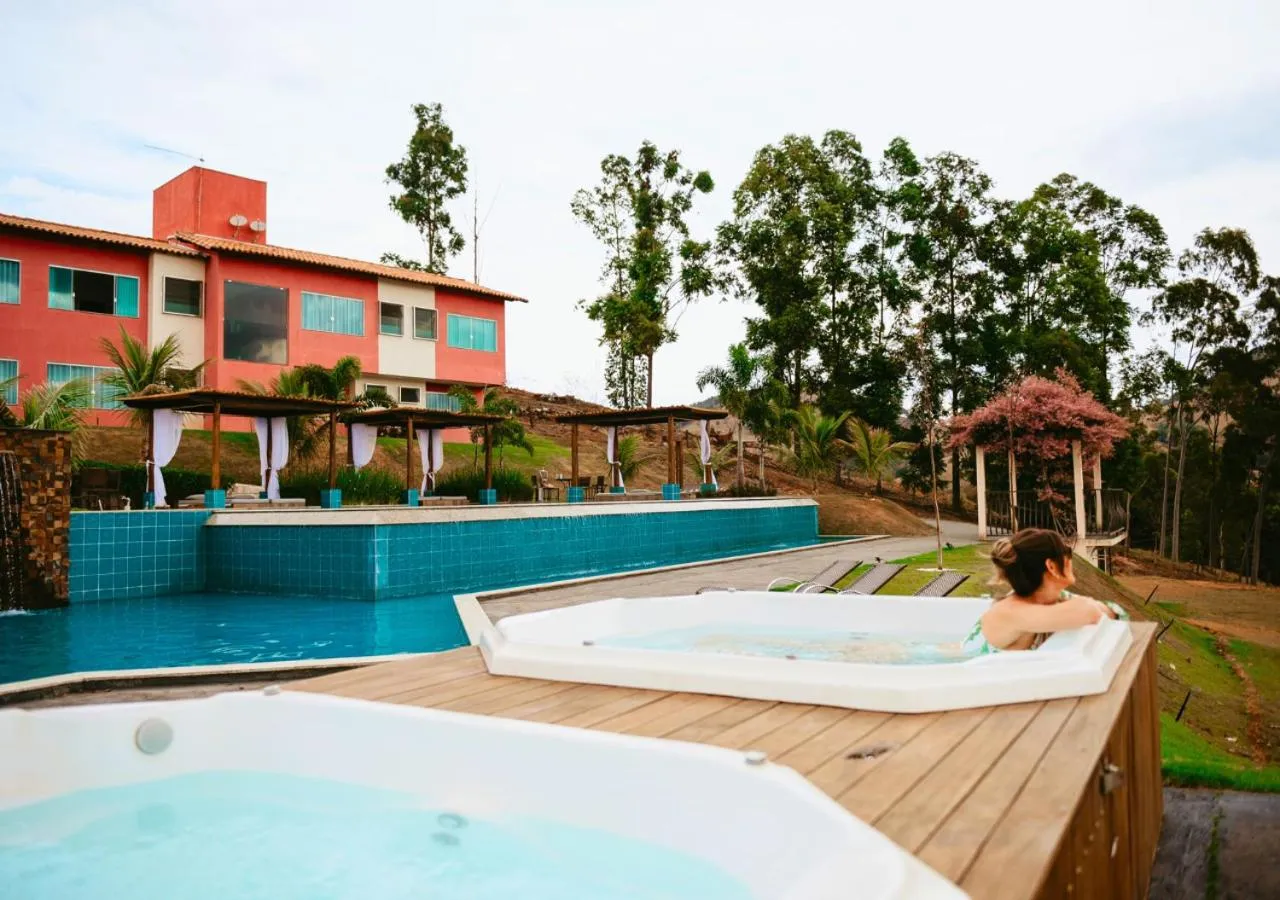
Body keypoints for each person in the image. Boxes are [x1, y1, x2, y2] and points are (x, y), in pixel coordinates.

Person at [967, 528, 1118, 653]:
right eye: (1066, 551)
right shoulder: (1009, 612)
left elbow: (1111, 612)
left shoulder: (1047, 600)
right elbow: (1090, 612)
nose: (1071, 559)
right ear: (1051, 566)